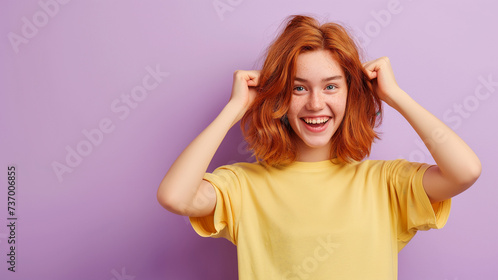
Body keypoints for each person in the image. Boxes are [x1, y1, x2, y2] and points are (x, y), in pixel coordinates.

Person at [157, 15, 481, 279]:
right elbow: (175, 196)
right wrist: (235, 109)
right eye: (299, 88)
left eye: (330, 87)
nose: (316, 103)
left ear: (350, 94)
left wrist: (395, 95)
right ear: (281, 96)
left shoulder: (385, 183)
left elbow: (465, 171)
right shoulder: (243, 186)